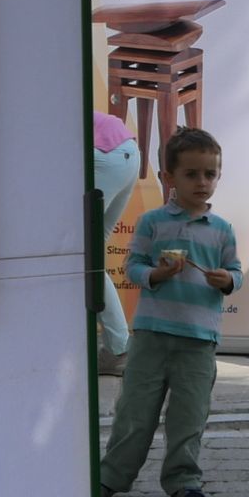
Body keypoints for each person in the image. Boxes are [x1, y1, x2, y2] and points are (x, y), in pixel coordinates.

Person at [100, 127, 241, 497]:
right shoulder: (152, 222)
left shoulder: (222, 231)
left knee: (188, 416)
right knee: (134, 412)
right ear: (168, 178)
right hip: (150, 335)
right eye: (191, 174)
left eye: (210, 174)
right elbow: (132, 268)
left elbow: (236, 272)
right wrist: (157, 275)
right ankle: (110, 477)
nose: (202, 182)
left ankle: (183, 479)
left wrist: (227, 279)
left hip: (199, 340)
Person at [92, 110, 142, 377]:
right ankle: (117, 348)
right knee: (92, 253)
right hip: (129, 150)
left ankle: (117, 348)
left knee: (84, 257)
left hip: (104, 155)